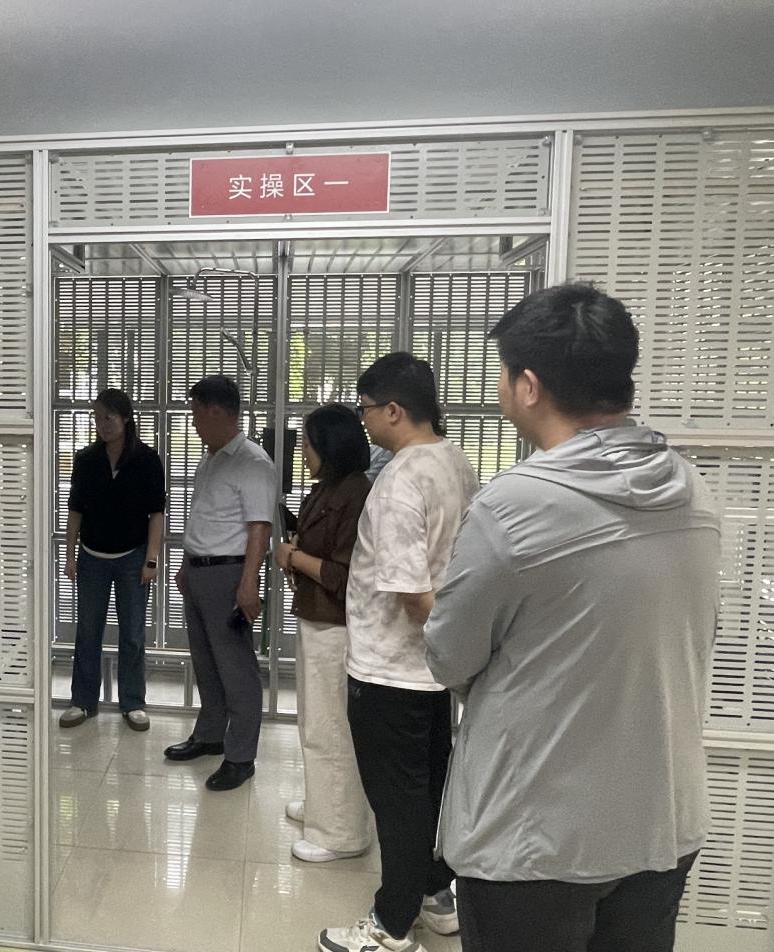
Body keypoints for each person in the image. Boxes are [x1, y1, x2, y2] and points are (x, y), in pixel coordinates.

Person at [423, 284, 720, 952]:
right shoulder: (692, 492)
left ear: (528, 386)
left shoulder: (513, 507)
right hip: (661, 821)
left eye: (504, 373)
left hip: (534, 839)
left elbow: (448, 656)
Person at [320, 353, 478, 952]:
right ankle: (434, 892)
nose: (362, 421)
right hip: (430, 675)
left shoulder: (401, 480)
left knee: (397, 801)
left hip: (389, 671)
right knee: (427, 788)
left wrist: (454, 647)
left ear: (393, 410)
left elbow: (413, 595)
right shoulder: (456, 462)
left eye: (365, 409)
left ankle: (390, 923)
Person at [164, 375, 276, 791]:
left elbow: (260, 528)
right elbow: (204, 517)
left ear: (215, 411)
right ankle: (210, 735)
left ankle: (241, 756)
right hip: (199, 572)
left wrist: (249, 584)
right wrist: (186, 564)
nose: (193, 422)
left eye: (195, 413)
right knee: (206, 663)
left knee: (236, 668)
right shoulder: (210, 460)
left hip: (229, 575)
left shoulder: (252, 462)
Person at [274, 404, 374, 863]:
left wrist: (293, 557)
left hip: (336, 627)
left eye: (309, 445)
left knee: (331, 729)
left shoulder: (356, 494)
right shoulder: (327, 488)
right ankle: (322, 806)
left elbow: (342, 574)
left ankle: (341, 833)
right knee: (313, 722)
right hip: (315, 618)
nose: (304, 453)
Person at [60, 388, 166, 732]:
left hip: (132, 558)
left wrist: (151, 559)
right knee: (88, 631)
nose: (103, 424)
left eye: (109, 417)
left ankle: (133, 702)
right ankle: (82, 700)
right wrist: (70, 555)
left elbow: (156, 513)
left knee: (133, 633)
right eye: (98, 418)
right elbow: (75, 511)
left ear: (126, 418)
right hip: (92, 558)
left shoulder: (147, 460)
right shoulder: (86, 459)